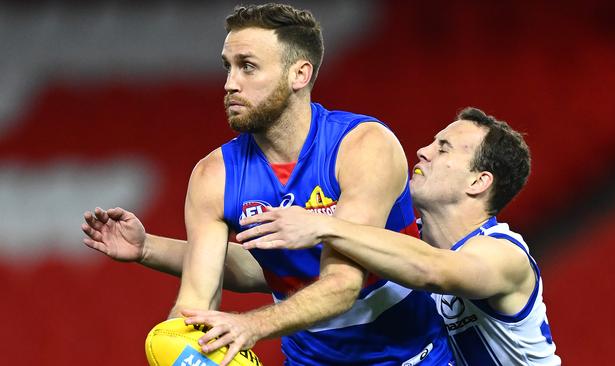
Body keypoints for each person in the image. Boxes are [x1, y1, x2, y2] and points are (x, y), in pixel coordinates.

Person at [82, 4, 453, 366]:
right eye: (227, 67)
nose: (229, 84)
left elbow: (342, 285)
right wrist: (186, 343)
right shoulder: (214, 176)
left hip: (412, 357)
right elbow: (196, 301)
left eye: (247, 67)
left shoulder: (362, 146)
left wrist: (250, 325)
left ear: (299, 75)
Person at [236, 107, 562, 365]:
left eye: (443, 149)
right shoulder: (404, 246)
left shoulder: (505, 255)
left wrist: (324, 225)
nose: (422, 151)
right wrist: (190, 256)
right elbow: (279, 267)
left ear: (478, 182)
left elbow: (433, 270)